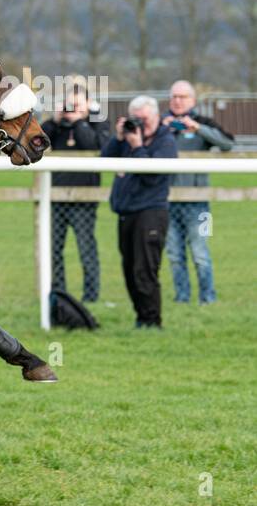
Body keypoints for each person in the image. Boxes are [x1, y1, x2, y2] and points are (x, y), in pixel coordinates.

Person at [102, 95, 177, 328]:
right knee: (129, 271)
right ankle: (141, 318)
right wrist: (119, 137)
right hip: (126, 212)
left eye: (144, 119)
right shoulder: (129, 137)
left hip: (151, 212)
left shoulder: (165, 141)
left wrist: (137, 147)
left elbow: (153, 174)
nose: (140, 125)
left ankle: (153, 321)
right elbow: (103, 160)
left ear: (156, 116)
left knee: (145, 270)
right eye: (136, 119)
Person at [162, 80, 234, 305]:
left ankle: (207, 298)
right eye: (174, 96)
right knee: (174, 256)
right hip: (167, 201)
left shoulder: (203, 123)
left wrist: (198, 129)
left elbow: (227, 144)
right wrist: (162, 129)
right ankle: (182, 298)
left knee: (200, 254)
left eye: (182, 97)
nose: (177, 101)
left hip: (198, 202)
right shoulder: (161, 124)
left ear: (192, 100)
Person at [41, 83, 106, 303]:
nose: (73, 108)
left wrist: (78, 121)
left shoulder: (95, 123)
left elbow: (92, 145)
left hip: (84, 197)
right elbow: (38, 140)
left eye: (78, 104)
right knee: (53, 250)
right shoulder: (58, 126)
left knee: (86, 249)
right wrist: (54, 119)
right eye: (71, 104)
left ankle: (91, 296)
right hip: (56, 196)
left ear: (88, 104)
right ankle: (58, 294)